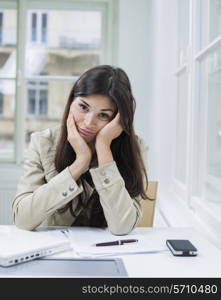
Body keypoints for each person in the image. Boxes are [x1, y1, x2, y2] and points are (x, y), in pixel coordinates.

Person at [12, 65, 149, 235]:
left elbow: (122, 227)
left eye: (103, 115)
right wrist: (80, 163)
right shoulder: (43, 142)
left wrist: (103, 146)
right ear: (71, 102)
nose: (89, 122)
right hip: (55, 251)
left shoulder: (135, 149)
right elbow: (23, 219)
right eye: (83, 107)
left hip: (108, 252)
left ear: (119, 120)